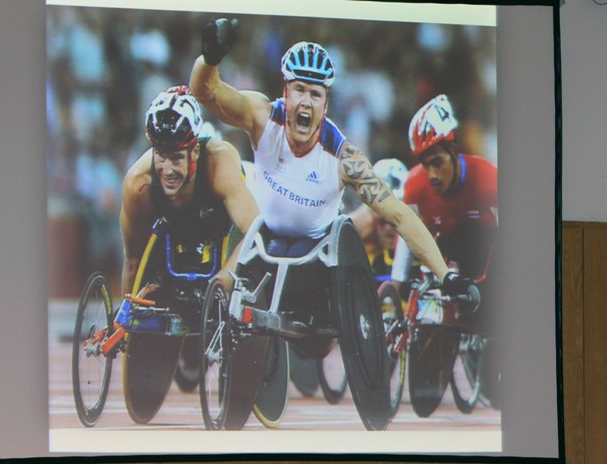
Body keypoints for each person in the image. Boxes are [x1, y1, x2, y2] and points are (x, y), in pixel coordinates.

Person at [189, 20, 477, 306]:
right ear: (285, 92)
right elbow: (205, 92)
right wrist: (209, 59)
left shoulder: (344, 159)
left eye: (315, 95)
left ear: (325, 105)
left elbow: (400, 215)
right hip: (257, 234)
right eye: (299, 90)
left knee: (318, 340)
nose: (306, 102)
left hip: (312, 253)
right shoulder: (261, 116)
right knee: (222, 287)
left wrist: (445, 277)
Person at [118, 84, 260, 297]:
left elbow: (254, 232)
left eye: (176, 158)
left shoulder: (219, 163)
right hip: (175, 228)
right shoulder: (138, 182)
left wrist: (221, 282)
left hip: (225, 225)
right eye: (161, 156)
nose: (167, 170)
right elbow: (133, 260)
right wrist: (127, 318)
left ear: (194, 152)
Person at [392, 94, 498, 303]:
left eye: (438, 163)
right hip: (446, 261)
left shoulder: (489, 178)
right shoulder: (414, 185)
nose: (432, 175)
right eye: (426, 164)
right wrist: (398, 282)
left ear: (454, 151)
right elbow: (406, 235)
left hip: (489, 256)